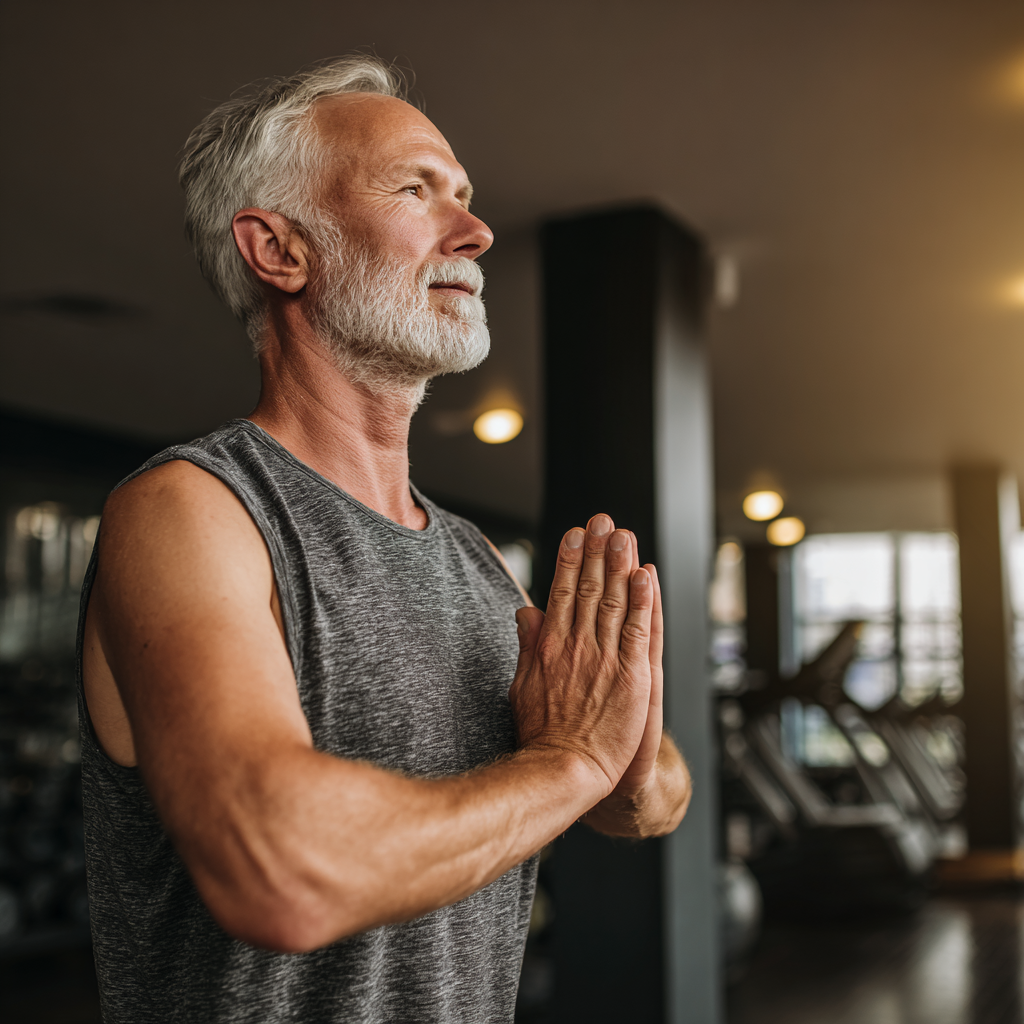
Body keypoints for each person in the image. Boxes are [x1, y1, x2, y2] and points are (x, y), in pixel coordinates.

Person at [78, 54, 691, 1023]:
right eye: (415, 189)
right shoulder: (192, 510)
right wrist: (569, 762)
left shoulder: (474, 561)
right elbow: (279, 869)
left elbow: (653, 794)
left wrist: (615, 745)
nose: (476, 232)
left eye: (464, 196)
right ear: (280, 250)